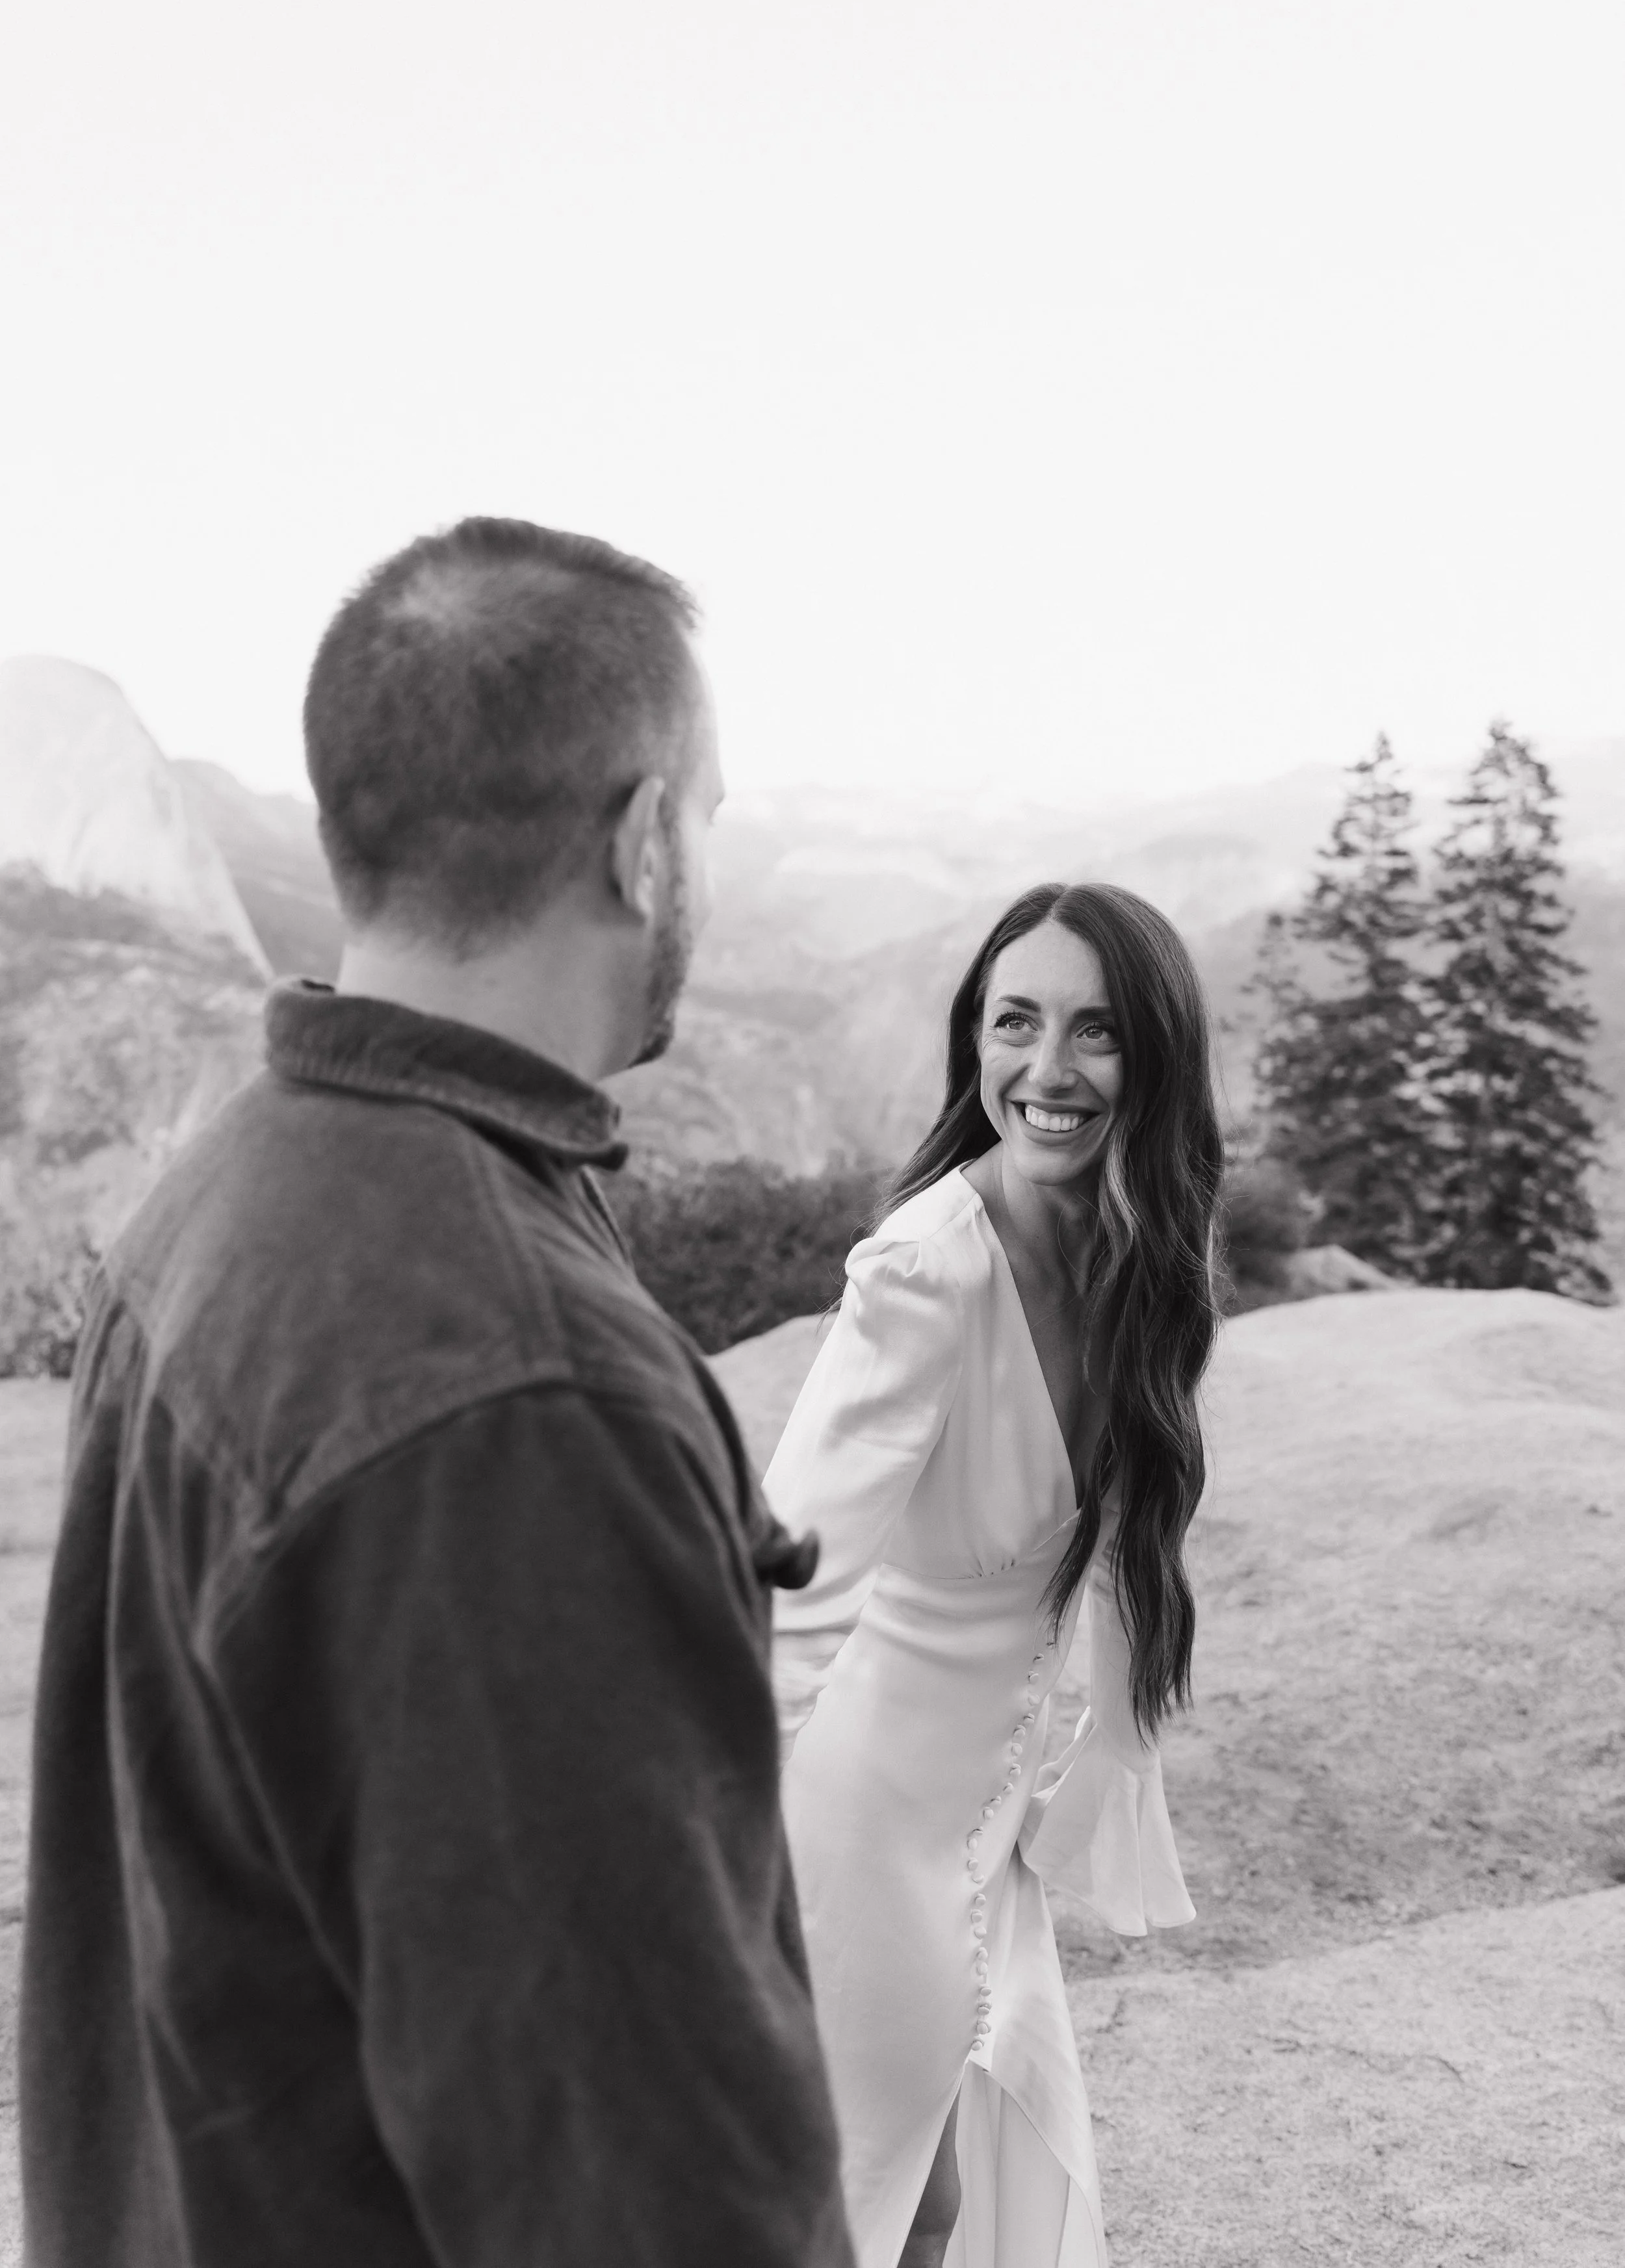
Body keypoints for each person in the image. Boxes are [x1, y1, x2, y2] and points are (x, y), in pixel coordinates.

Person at [20, 517, 854, 2268]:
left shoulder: (229, 1188)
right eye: (703, 811)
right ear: (641, 840)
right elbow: (644, 2187)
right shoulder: (515, 1395)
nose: (699, 847)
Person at [762, 881, 1224, 2268]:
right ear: (973, 1042)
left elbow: (1122, 1556)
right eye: (1012, 1022)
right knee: (882, 2205)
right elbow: (789, 1575)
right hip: (855, 1822)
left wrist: (1093, 1766)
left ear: (1149, 1056)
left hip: (974, 1820)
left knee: (934, 2202)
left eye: (1091, 1032)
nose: (1045, 1069)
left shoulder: (1134, 1255)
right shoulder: (922, 1270)